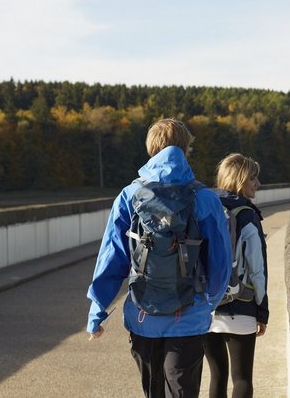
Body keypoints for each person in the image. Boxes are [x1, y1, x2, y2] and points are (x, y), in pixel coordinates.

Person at [85, 118, 231, 398]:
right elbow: (220, 263)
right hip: (189, 317)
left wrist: (97, 312)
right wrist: (207, 303)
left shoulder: (129, 196)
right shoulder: (205, 198)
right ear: (186, 149)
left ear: (151, 149)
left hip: (143, 315)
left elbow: (112, 258)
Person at [203, 153, 269, 398]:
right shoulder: (247, 215)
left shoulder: (205, 209)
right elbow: (258, 270)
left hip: (207, 307)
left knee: (217, 376)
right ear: (241, 181)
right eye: (253, 178)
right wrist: (262, 310)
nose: (258, 184)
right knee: (241, 378)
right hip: (240, 306)